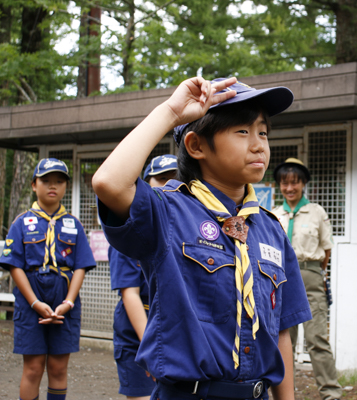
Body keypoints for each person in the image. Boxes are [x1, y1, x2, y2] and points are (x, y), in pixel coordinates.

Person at [92, 76, 311, 400]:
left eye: (262, 132)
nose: (258, 144)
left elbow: (281, 332)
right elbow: (109, 182)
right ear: (196, 146)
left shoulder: (270, 228)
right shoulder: (167, 212)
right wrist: (170, 111)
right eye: (242, 131)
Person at [0, 158, 96, 400]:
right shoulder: (21, 222)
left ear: (65, 186)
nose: (53, 186)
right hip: (31, 301)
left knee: (58, 367)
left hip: (64, 302)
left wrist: (69, 303)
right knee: (33, 369)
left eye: (59, 181)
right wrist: (34, 303)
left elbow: (81, 266)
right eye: (46, 181)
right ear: (34, 185)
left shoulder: (73, 224)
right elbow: (14, 266)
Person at [272, 158, 342, 400]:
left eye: (295, 183)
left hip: (311, 277)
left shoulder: (317, 212)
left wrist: (312, 273)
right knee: (284, 341)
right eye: (285, 183)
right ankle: (284, 394)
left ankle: (331, 393)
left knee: (317, 339)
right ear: (279, 186)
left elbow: (327, 249)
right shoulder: (274, 214)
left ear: (303, 184)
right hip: (282, 281)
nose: (290, 188)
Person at [110, 154, 178, 400]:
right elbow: (130, 295)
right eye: (160, 178)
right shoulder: (132, 230)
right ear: (145, 184)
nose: (168, 185)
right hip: (139, 337)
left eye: (175, 178)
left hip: (174, 337)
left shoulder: (186, 229)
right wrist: (153, 349)